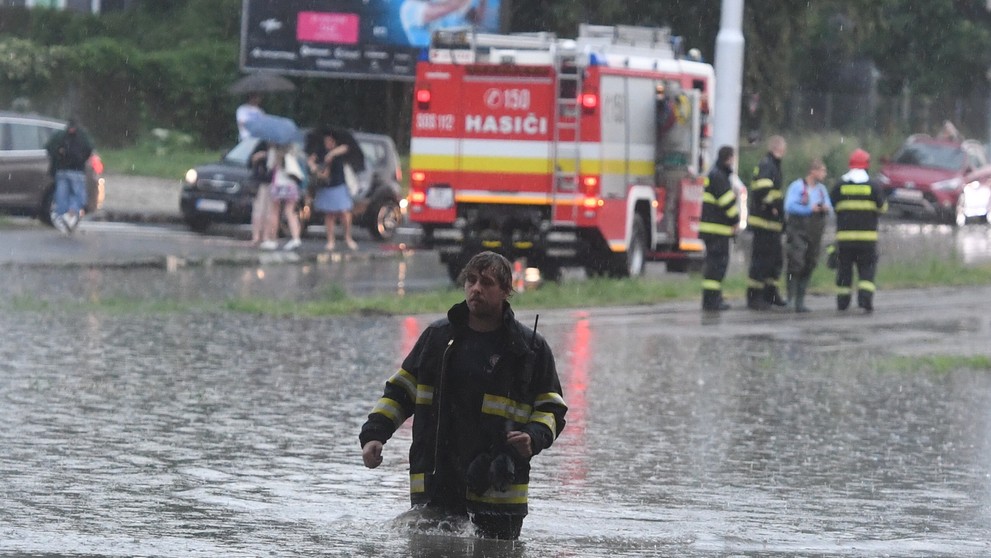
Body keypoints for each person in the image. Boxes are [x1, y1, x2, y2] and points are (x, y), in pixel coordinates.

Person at [359, 251, 567, 540]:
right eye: (471, 280)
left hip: (497, 492)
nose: (476, 289)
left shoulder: (529, 349)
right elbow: (401, 392)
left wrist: (533, 437)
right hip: (437, 487)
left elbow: (552, 407)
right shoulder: (437, 339)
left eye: (486, 282)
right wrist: (374, 435)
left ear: (506, 291)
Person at [830, 148, 887, 312]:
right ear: (866, 165)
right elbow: (883, 208)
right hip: (867, 240)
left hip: (845, 239)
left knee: (844, 271)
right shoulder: (873, 186)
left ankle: (842, 303)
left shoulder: (840, 185)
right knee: (867, 271)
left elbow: (832, 205)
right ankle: (865, 300)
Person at [783, 158, 833, 312]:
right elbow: (789, 206)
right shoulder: (797, 186)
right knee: (796, 262)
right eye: (822, 171)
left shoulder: (821, 190)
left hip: (815, 233)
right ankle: (790, 298)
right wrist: (809, 209)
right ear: (813, 171)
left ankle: (800, 300)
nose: (824, 174)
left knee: (810, 263)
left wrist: (824, 208)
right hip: (798, 230)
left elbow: (830, 207)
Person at [746, 134, 788, 310]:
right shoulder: (767, 165)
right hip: (764, 222)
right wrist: (774, 206)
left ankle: (771, 293)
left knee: (775, 260)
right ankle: (754, 296)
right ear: (778, 149)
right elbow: (761, 190)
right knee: (761, 261)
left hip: (772, 224)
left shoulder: (773, 165)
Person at [699, 145, 740, 311]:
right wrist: (736, 221)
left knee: (713, 265)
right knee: (717, 266)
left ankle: (712, 298)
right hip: (717, 231)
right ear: (729, 158)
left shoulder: (715, 174)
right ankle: (712, 301)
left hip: (712, 230)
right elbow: (726, 203)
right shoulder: (719, 176)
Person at [307, 128, 358, 251]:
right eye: (326, 141)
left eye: (330, 141)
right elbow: (310, 161)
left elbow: (346, 148)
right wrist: (315, 169)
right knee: (330, 214)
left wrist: (331, 154)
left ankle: (348, 238)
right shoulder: (320, 151)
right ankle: (331, 240)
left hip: (339, 185)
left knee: (344, 212)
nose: (327, 143)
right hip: (326, 186)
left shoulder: (339, 150)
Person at [45, 118, 94, 235]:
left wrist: (58, 158)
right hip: (77, 171)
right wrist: (81, 159)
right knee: (79, 196)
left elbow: (49, 147)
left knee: (61, 195)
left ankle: (62, 216)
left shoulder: (60, 136)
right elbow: (89, 149)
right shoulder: (82, 136)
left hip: (61, 171)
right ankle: (71, 214)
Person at [264, 144, 305, 251]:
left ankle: (273, 240)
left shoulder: (274, 151)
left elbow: (270, 166)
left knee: (274, 212)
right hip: (291, 184)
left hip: (278, 184)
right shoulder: (292, 150)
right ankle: (296, 238)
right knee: (290, 212)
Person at [248, 140, 273, 247]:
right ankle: (256, 236)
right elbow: (249, 162)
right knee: (258, 210)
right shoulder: (261, 145)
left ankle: (266, 236)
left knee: (269, 211)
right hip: (260, 182)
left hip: (273, 183)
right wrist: (258, 156)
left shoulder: (279, 148)